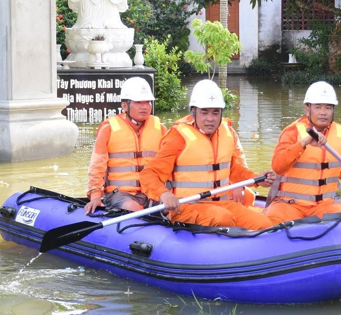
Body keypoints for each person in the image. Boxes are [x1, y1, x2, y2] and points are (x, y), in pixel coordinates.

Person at [141, 79, 276, 230]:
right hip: (187, 206)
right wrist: (164, 195)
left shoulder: (227, 134)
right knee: (223, 219)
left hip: (223, 203)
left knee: (265, 225)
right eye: (204, 112)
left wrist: (258, 179)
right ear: (193, 112)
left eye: (215, 112)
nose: (210, 119)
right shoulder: (177, 138)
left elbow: (233, 170)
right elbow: (149, 174)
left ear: (221, 113)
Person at [264, 81, 341, 224]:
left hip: (325, 205)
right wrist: (303, 143)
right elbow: (278, 166)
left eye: (328, 108)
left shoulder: (338, 132)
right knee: (271, 223)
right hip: (291, 204)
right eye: (318, 107)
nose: (323, 112)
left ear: (333, 110)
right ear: (307, 109)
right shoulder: (292, 132)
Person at [84, 77, 165, 214]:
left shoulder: (160, 129)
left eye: (148, 102)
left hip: (152, 192)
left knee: (173, 209)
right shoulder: (108, 129)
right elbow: (97, 166)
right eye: (138, 102)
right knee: (132, 208)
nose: (144, 107)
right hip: (120, 193)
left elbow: (169, 164)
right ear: (124, 105)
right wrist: (96, 196)